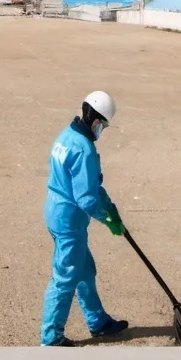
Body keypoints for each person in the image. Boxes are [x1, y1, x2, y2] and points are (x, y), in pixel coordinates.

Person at [40, 90, 128, 346]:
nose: (103, 130)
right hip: (69, 220)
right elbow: (87, 198)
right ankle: (50, 337)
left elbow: (89, 186)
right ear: (97, 122)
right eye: (104, 125)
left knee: (85, 270)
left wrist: (110, 206)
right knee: (65, 276)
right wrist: (108, 219)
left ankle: (98, 321)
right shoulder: (84, 150)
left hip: (56, 211)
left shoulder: (66, 136)